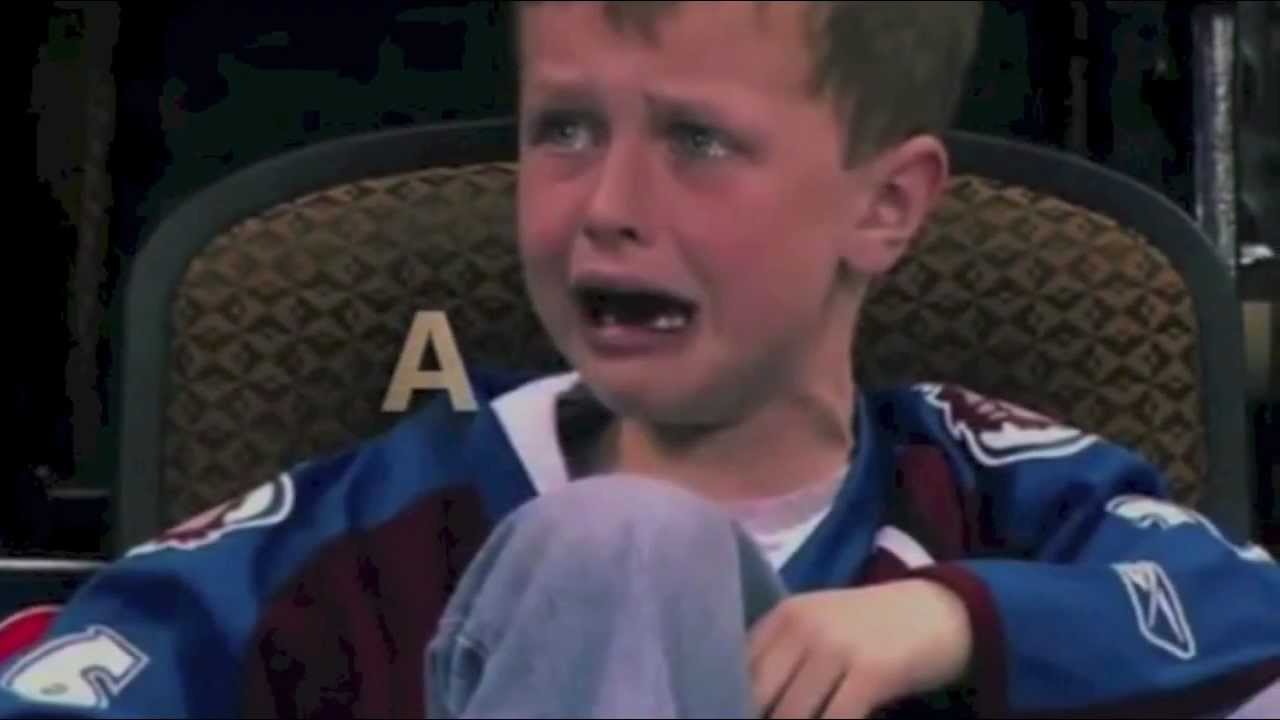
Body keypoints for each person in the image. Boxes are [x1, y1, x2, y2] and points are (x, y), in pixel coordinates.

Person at [2, 1, 1278, 717]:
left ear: (884, 204)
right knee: (626, 549)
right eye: (563, 129)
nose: (607, 205)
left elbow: (1243, 611)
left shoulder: (999, 494)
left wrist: (955, 617)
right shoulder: (373, 531)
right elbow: (71, 675)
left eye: (697, 143)